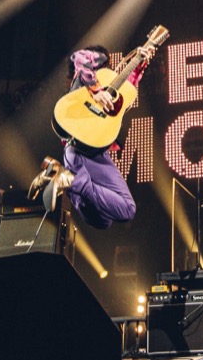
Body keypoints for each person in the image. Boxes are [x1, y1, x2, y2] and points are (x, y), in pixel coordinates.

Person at [41, 43, 155, 229]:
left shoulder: (105, 82)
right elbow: (78, 57)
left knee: (102, 221)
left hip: (93, 152)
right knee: (127, 209)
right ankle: (70, 180)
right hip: (80, 149)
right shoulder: (87, 76)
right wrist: (95, 89)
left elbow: (125, 91)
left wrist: (139, 64)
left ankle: (64, 178)